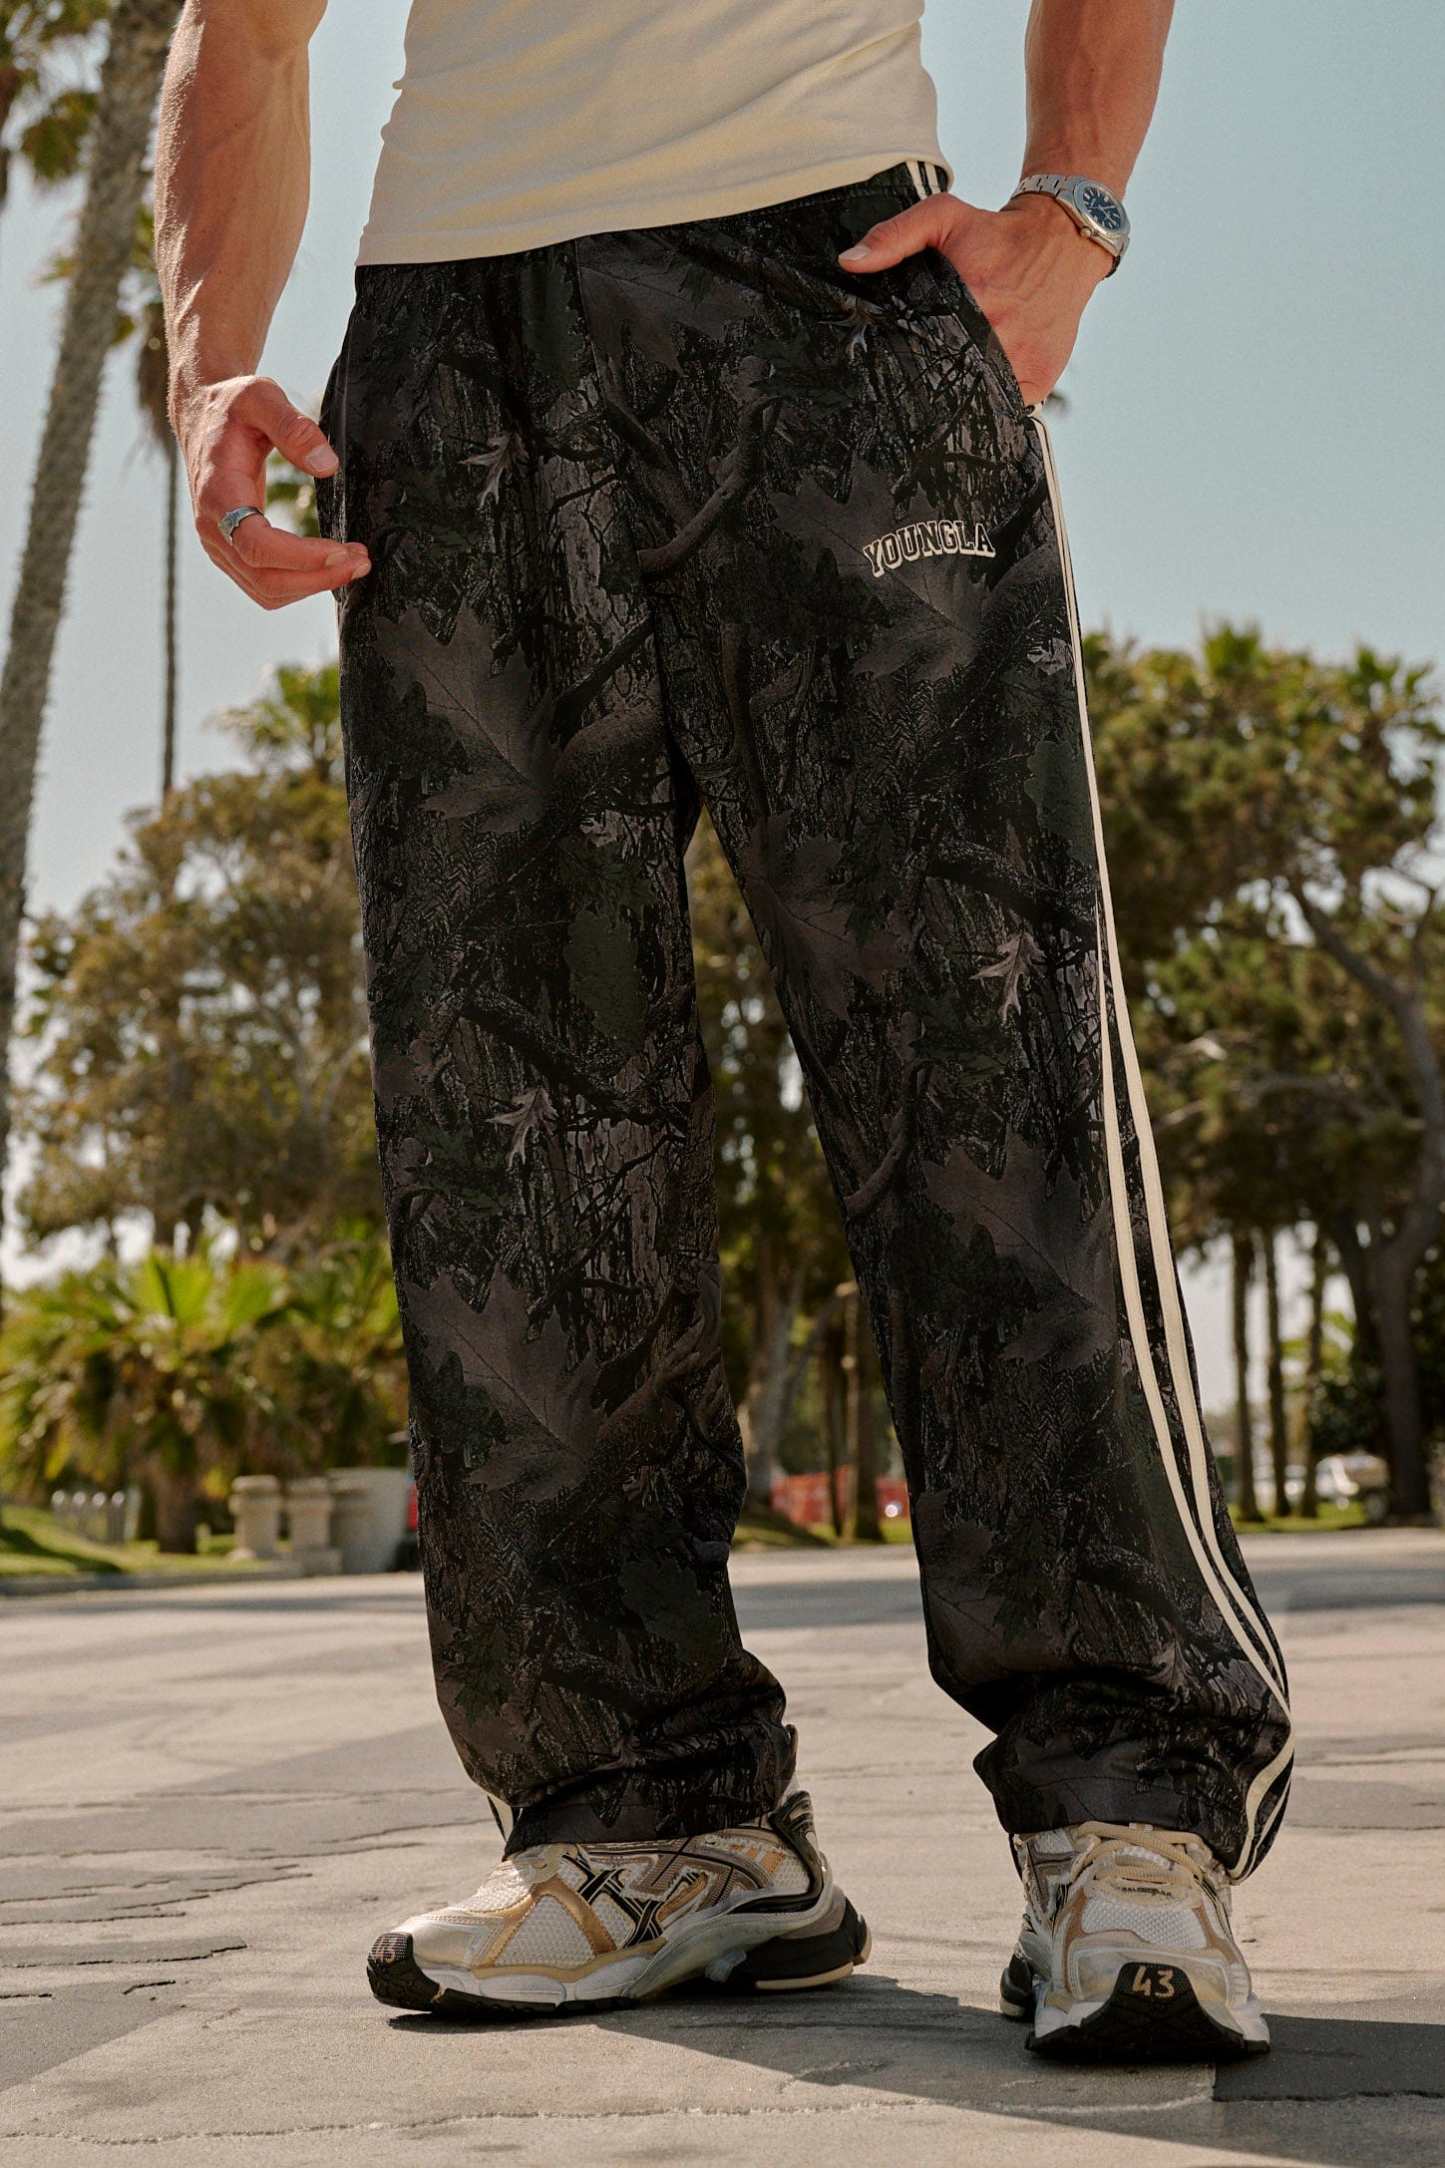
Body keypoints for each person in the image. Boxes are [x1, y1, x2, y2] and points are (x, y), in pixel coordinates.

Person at [157, 0, 1293, 2060]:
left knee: (981, 1055)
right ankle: (649, 1818)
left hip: (829, 279)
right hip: (456, 340)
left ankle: (1130, 1806)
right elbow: (240, 29)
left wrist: (1076, 205)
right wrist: (206, 356)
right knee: (515, 1123)